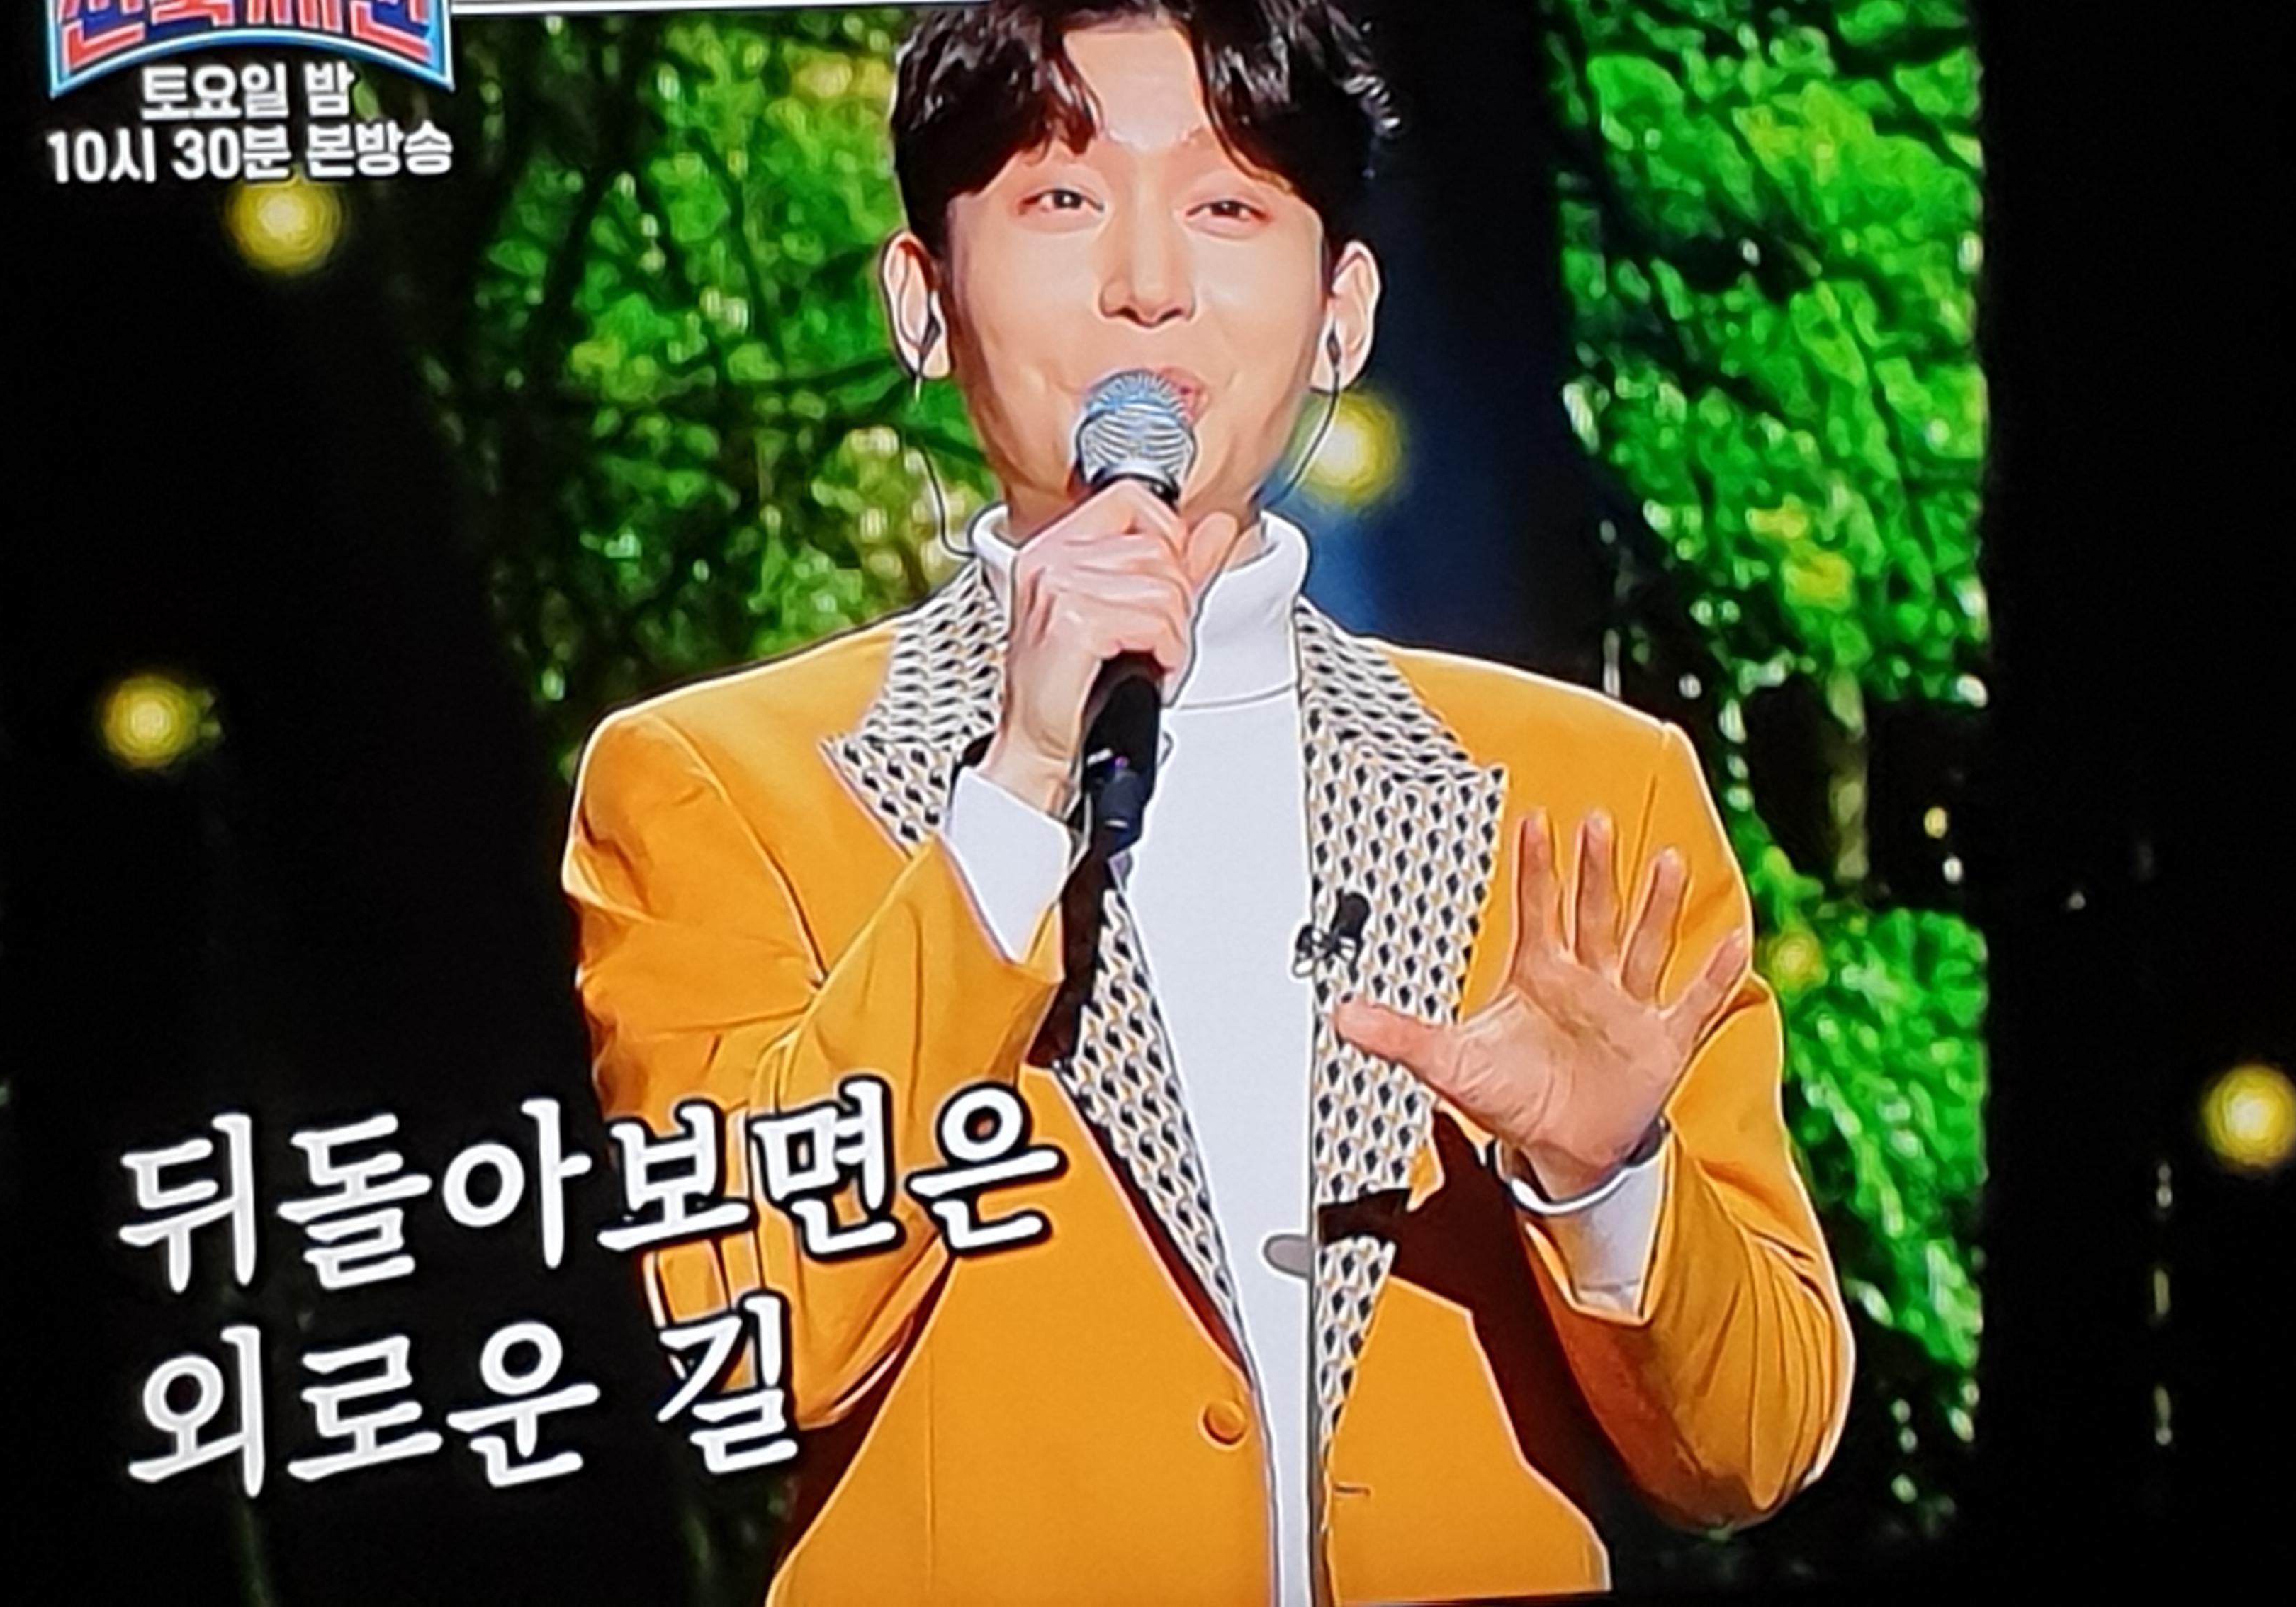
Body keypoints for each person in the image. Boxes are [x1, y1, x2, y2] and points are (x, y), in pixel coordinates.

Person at [562, 3, 1852, 1601]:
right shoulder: (713, 785)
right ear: (924, 299)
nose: (1148, 281)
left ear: (1340, 313)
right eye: (1061, 196)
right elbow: (740, 1330)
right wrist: (1014, 799)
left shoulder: (1589, 793)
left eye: (1229, 204)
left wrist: (1609, 1181)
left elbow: (1755, 1447)